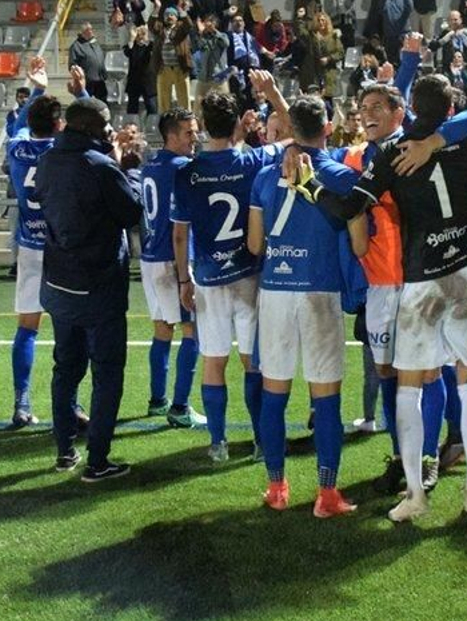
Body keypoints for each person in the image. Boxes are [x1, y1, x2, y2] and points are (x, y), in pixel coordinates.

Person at [303, 39, 467, 521]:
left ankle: (415, 495)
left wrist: (309, 186)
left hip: (422, 278)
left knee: (410, 388)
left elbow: (350, 207)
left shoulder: (394, 153)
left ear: (409, 107)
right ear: (452, 106)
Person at [248, 96, 364, 517]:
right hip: (320, 288)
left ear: (288, 128)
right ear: (328, 127)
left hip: (276, 289)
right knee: (326, 397)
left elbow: (255, 245)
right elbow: (360, 242)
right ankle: (326, 494)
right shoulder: (340, 176)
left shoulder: (264, 177)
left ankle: (277, 487)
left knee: (274, 394)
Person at [171, 73, 290, 462]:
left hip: (208, 277)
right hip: (249, 273)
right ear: (239, 123)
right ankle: (258, 441)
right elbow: (296, 132)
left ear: (203, 126)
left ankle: (219, 443)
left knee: (214, 361)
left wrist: (183, 280)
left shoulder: (186, 173)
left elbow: (179, 236)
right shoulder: (254, 159)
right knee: (253, 363)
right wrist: (271, 93)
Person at [35, 97, 142, 482]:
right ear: (93, 128)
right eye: (107, 123)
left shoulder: (47, 159)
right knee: (107, 372)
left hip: (59, 282)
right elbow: (132, 213)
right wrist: (127, 169)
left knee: (66, 367)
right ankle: (98, 460)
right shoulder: (100, 166)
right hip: (99, 286)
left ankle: (65, 450)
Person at [140, 108, 205, 428]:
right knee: (192, 331)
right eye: (189, 133)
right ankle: (179, 407)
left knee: (162, 329)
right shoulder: (183, 168)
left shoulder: (150, 164)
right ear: (171, 136)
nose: (196, 138)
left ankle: (157, 400)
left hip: (150, 257)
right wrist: (185, 276)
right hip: (172, 259)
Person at [5, 68, 62, 427]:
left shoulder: (17, 147)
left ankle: (22, 402)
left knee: (28, 325)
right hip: (62, 246)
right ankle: (69, 404)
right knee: (69, 327)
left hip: (29, 245)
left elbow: (17, 127)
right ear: (58, 125)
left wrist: (37, 88)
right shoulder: (64, 150)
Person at [151, 8, 193, 111]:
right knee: (164, 101)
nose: (169, 17)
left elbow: (189, 25)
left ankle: (186, 121)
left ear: (176, 17)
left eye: (172, 15)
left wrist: (182, 10)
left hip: (180, 68)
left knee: (184, 100)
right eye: (167, 15)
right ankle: (165, 122)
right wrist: (156, 9)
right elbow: (151, 25)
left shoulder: (181, 29)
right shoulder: (160, 30)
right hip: (164, 69)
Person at [70, 22, 107, 101]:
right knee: (86, 103)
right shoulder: (76, 46)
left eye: (91, 29)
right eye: (88, 30)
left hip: (100, 80)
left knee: (103, 102)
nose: (91, 31)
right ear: (82, 32)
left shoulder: (95, 43)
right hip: (87, 81)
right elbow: (72, 64)